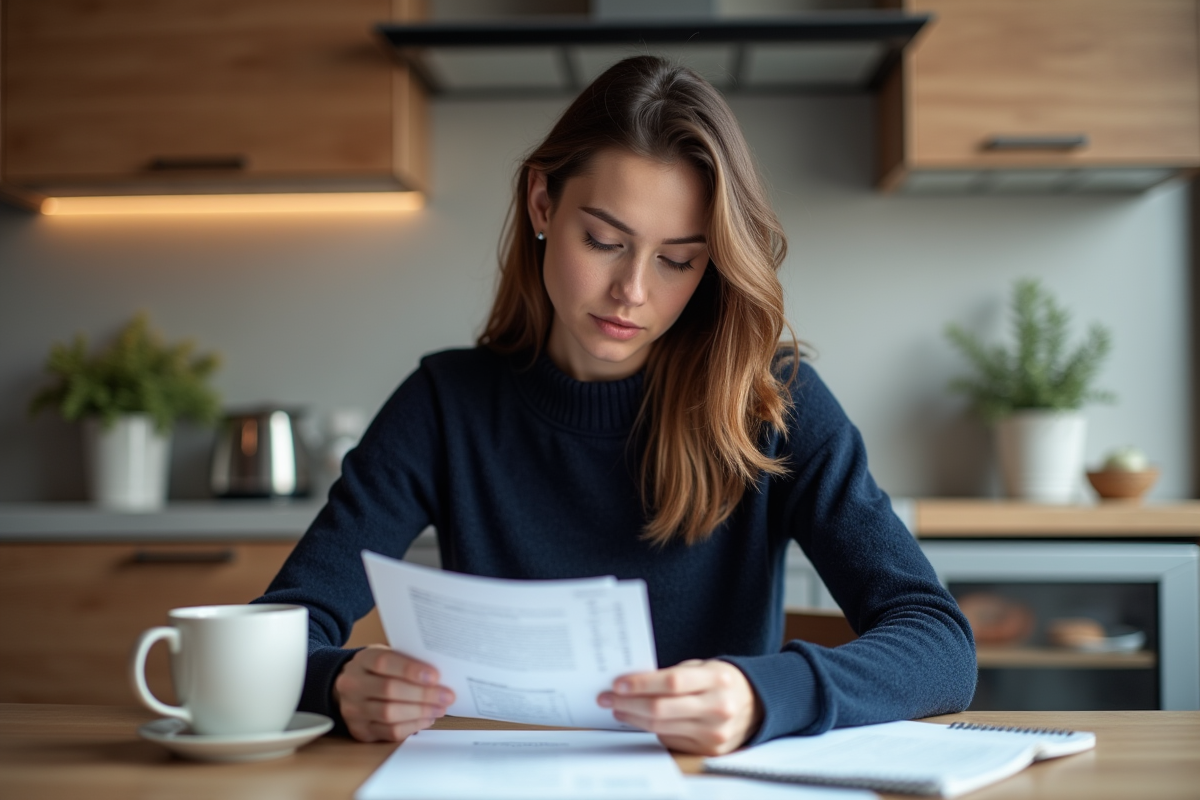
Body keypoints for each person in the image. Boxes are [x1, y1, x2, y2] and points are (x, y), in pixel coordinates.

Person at [253, 55, 976, 756]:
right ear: (543, 203)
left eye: (677, 259)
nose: (632, 289)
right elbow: (275, 631)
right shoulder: (445, 405)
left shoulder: (773, 401)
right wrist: (338, 681)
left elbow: (941, 647)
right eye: (604, 240)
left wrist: (761, 695)